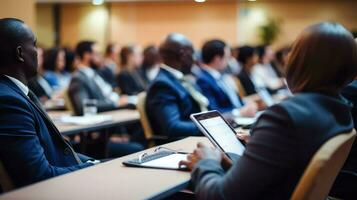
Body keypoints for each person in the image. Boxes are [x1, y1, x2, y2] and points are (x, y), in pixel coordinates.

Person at [180, 22, 357, 199]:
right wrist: (238, 161)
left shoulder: (285, 117)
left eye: (293, 52)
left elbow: (220, 196)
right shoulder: (341, 109)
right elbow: (284, 174)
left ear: (300, 61)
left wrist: (206, 163)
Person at [0, 18, 97, 189]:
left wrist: (93, 163)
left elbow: (58, 153)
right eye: (35, 45)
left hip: (64, 174)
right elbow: (39, 176)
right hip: (57, 189)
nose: (38, 53)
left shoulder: (16, 92)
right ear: (20, 53)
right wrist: (92, 168)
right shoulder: (8, 101)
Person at [146, 33, 208, 138]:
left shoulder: (181, 78)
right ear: (182, 55)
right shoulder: (162, 85)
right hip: (184, 143)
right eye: (192, 54)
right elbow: (172, 127)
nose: (194, 60)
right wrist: (209, 126)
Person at [196, 40, 257, 116]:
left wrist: (246, 104)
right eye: (227, 57)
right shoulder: (203, 80)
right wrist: (240, 112)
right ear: (217, 59)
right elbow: (213, 112)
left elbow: (234, 101)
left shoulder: (220, 75)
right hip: (231, 121)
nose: (228, 62)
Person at [68, 41, 129, 116]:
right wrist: (115, 104)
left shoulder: (96, 73)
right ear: (86, 55)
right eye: (97, 54)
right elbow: (83, 106)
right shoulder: (78, 78)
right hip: (105, 117)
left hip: (114, 111)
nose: (101, 57)